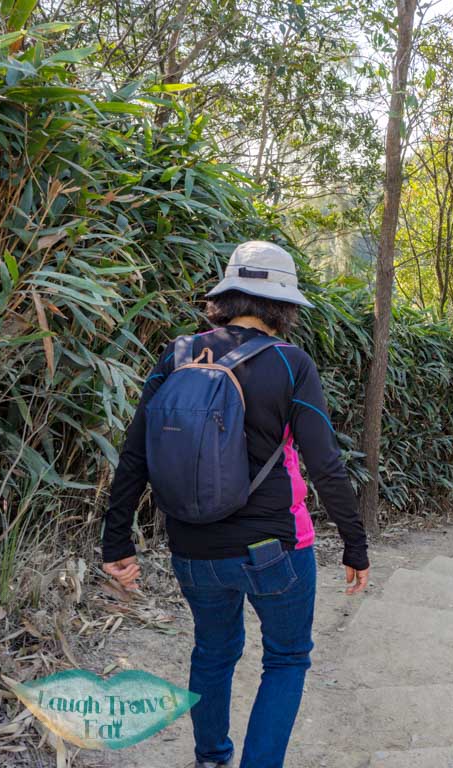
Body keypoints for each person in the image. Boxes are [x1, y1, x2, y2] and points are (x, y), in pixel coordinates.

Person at [101, 241, 370, 768]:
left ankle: (210, 758)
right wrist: (355, 545)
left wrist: (117, 541)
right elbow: (327, 466)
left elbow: (134, 454)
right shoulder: (290, 364)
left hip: (192, 548)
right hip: (274, 550)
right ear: (283, 305)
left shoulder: (178, 355)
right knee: (288, 658)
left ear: (227, 297)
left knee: (214, 651)